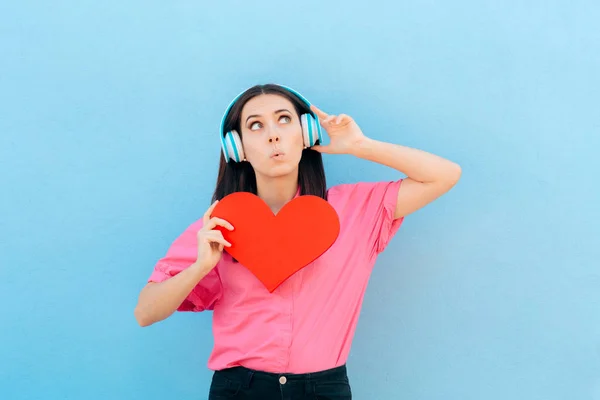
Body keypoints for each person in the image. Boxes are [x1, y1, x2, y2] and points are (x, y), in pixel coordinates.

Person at [134, 83, 461, 399]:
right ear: (238, 148)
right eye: (256, 126)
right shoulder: (218, 226)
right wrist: (201, 266)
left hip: (324, 389)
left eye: (284, 119)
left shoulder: (356, 209)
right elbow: (145, 312)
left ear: (306, 134)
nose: (273, 134)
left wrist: (359, 145)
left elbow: (444, 175)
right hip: (240, 390)